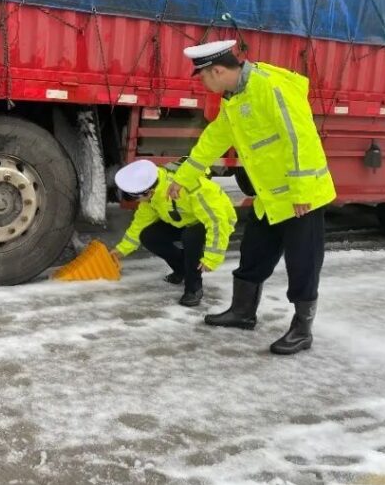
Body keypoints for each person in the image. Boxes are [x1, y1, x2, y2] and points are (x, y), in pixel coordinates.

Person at [167, 40, 336, 355]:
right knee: (253, 253)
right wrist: (184, 177)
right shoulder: (235, 97)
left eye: (203, 77)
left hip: (302, 198)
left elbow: (301, 139)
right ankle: (243, 312)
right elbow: (214, 139)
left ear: (218, 71)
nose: (204, 84)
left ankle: (302, 330)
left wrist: (301, 192)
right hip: (270, 197)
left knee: (303, 263)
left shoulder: (270, 88)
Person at [110, 159, 236, 307]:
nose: (138, 202)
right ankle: (182, 269)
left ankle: (193, 288)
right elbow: (139, 225)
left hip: (214, 221)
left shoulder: (192, 187)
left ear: (149, 191)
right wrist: (121, 250)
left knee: (190, 237)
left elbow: (216, 222)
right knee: (148, 235)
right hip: (185, 221)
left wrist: (212, 257)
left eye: (136, 198)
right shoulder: (152, 196)